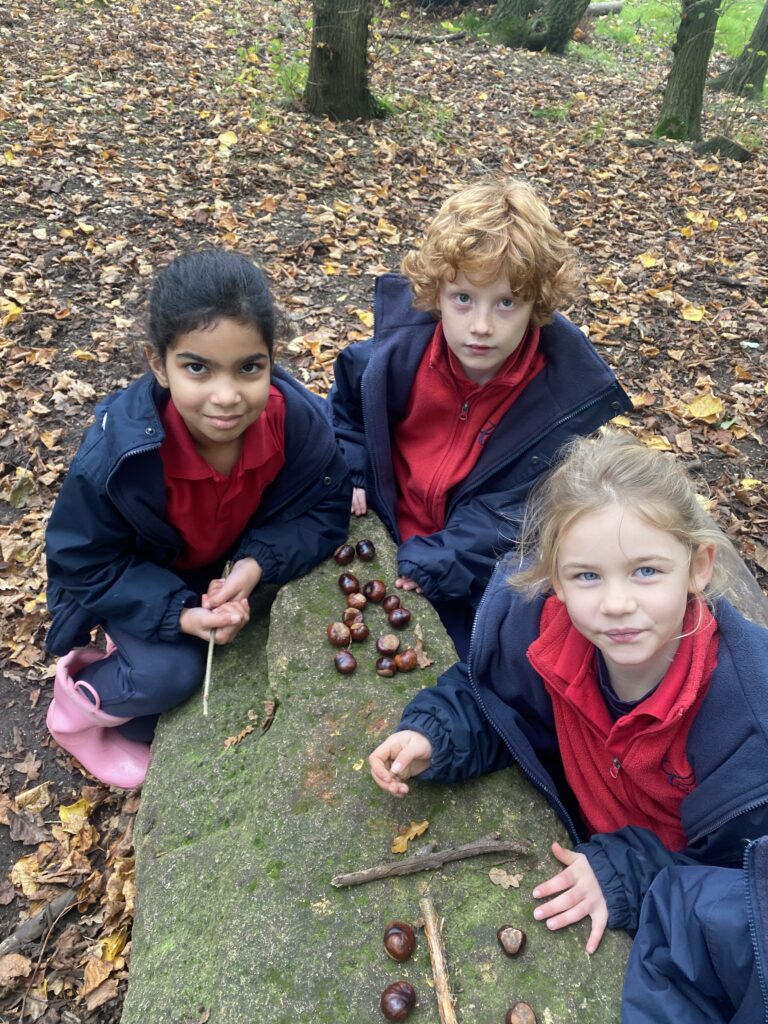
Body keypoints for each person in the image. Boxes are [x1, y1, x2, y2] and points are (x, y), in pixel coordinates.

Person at [368, 431, 768, 1019]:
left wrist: (627, 871)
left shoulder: (748, 716)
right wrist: (435, 733)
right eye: (587, 576)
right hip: (587, 836)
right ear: (554, 578)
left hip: (671, 880)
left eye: (646, 571)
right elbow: (496, 698)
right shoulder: (541, 634)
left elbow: (744, 885)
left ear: (698, 568)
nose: (615, 604)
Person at [45, 249, 351, 789]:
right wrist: (178, 615)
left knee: (148, 724)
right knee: (172, 675)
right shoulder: (118, 459)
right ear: (158, 364)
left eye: (249, 368)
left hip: (208, 569)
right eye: (197, 368)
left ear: (271, 359)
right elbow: (81, 560)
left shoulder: (296, 425)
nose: (227, 397)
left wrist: (256, 565)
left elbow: (323, 508)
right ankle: (74, 710)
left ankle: (134, 671)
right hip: (133, 578)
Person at [329, 177, 631, 658]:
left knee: (486, 663)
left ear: (536, 305)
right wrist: (354, 467)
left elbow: (518, 507)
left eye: (506, 302)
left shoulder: (554, 401)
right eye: (463, 299)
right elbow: (345, 411)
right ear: (436, 294)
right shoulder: (390, 361)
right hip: (385, 525)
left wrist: (445, 555)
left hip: (474, 563)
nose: (481, 327)